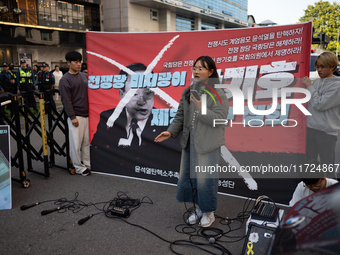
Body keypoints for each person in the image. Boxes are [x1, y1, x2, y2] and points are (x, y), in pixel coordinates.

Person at [154, 56, 229, 227]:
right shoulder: (188, 91)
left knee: (205, 179)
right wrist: (170, 131)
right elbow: (180, 116)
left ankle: (209, 212)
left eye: (201, 68)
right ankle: (198, 208)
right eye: (194, 68)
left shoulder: (219, 93)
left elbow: (219, 120)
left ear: (211, 72)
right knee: (191, 177)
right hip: (190, 141)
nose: (196, 71)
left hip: (208, 143)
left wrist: (201, 108)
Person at [91, 63, 181, 176]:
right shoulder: (109, 118)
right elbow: (97, 153)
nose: (142, 101)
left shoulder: (167, 122)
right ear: (122, 94)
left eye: (148, 93)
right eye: (134, 94)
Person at [302, 52, 340, 172]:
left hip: (327, 132)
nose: (319, 70)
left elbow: (320, 104)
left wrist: (309, 87)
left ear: (332, 67)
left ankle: (330, 190)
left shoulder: (337, 85)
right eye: (317, 66)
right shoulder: (316, 82)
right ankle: (311, 189)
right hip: (310, 128)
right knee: (309, 165)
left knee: (327, 166)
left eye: (322, 66)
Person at [59, 51, 91, 176]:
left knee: (87, 142)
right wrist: (72, 117)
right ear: (68, 62)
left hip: (88, 114)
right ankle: (79, 167)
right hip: (76, 116)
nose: (79, 64)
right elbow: (66, 101)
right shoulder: (65, 80)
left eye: (80, 61)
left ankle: (87, 164)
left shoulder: (84, 76)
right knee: (75, 144)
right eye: (76, 62)